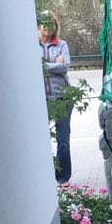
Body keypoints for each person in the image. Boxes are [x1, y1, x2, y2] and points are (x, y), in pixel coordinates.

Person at [38, 12, 73, 185]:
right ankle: (44, 176)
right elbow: (32, 67)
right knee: (41, 138)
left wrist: (43, 66)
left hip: (63, 99)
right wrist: (55, 65)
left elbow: (65, 66)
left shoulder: (62, 44)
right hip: (41, 101)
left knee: (63, 139)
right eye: (44, 23)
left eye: (51, 23)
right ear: (38, 26)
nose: (47, 27)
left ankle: (63, 177)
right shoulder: (32, 45)